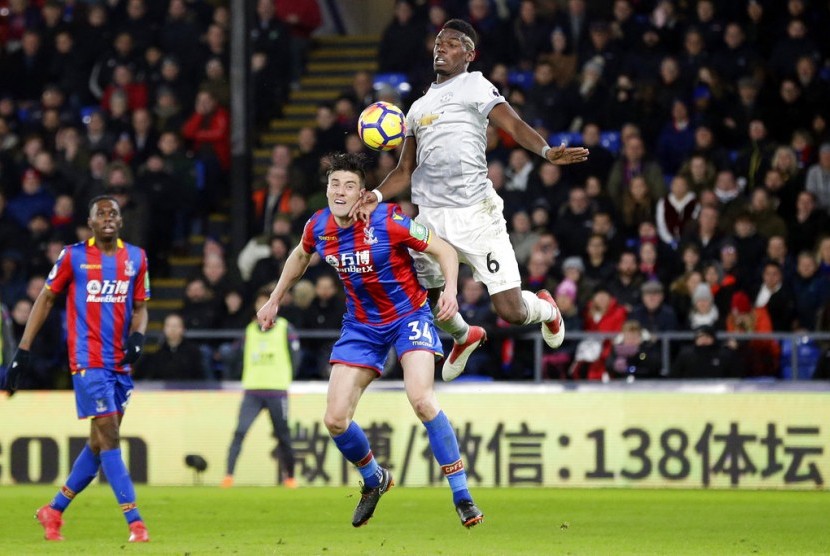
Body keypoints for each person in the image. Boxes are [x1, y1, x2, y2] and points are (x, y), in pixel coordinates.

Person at [352, 19, 588, 381]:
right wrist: (376, 195)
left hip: (476, 214)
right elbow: (404, 170)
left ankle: (545, 309)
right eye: (438, 43)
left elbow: (511, 123)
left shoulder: (475, 84)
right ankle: (464, 336)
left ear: (469, 54)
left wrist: (544, 150)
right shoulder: (416, 108)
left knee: (510, 310)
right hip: (431, 217)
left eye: (451, 43)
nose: (441, 48)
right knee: (424, 299)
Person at [257, 153, 483, 528]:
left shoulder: (389, 220)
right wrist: (275, 297)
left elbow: (444, 250)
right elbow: (300, 255)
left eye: (349, 186)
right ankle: (374, 478)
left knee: (422, 399)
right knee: (334, 420)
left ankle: (461, 494)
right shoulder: (318, 226)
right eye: (334, 185)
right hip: (361, 326)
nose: (340, 192)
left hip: (409, 316)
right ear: (326, 190)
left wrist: (451, 291)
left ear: (363, 193)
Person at [3, 195, 150, 543]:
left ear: (121, 221)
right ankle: (136, 522)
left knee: (99, 445)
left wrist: (139, 337)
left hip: (119, 364)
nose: (108, 218)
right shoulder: (74, 256)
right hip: (86, 360)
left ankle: (53, 510)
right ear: (91, 223)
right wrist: (23, 350)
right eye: (101, 214)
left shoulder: (136, 258)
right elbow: (46, 298)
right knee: (110, 434)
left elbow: (141, 306)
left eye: (113, 213)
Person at [222, 289, 298, 489]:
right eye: (260, 303)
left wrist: (286, 378)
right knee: (240, 431)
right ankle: (228, 476)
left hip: (276, 390)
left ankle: (290, 477)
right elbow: (238, 357)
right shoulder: (249, 330)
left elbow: (296, 357)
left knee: (283, 435)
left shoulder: (285, 328)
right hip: (253, 390)